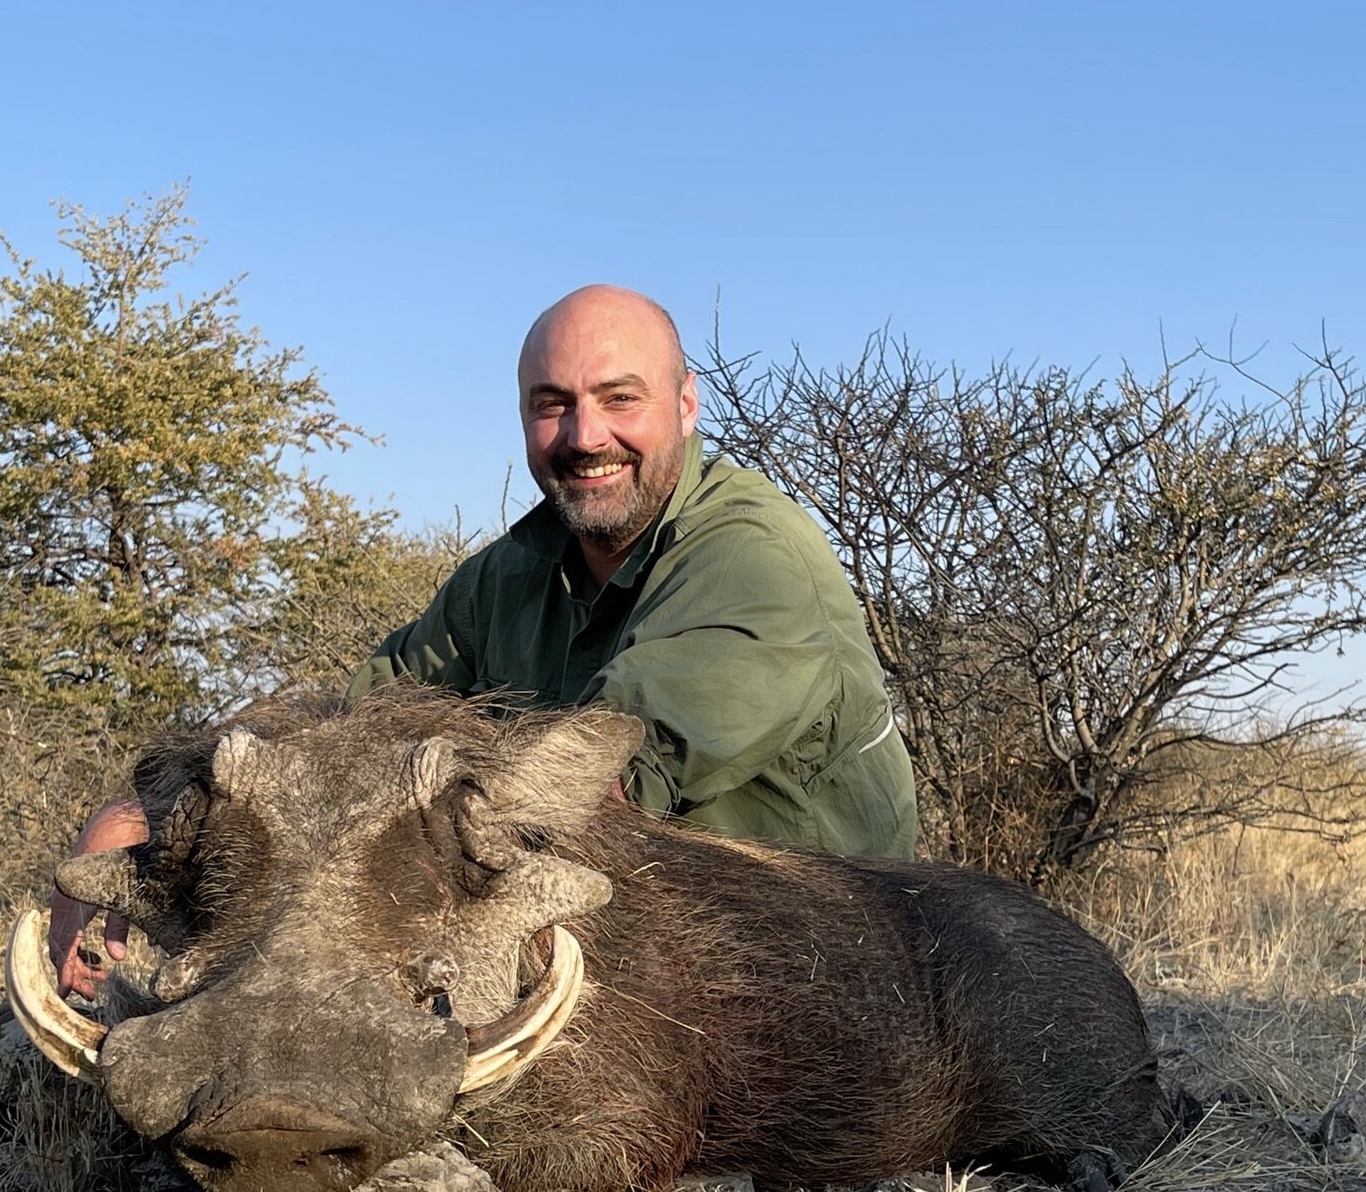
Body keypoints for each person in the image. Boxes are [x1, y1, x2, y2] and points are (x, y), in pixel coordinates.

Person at [50, 284, 916, 995]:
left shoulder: (754, 561)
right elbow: (349, 721)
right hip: (629, 936)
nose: (585, 437)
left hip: (804, 968)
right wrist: (158, 815)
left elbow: (600, 791)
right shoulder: (509, 574)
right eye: (554, 406)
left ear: (686, 405)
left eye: (621, 399)